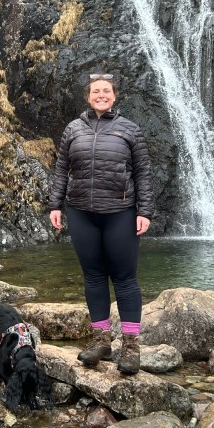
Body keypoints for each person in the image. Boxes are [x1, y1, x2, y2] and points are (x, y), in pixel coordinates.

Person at [48, 73, 153, 375]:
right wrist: (55, 204)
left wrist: (144, 211)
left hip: (120, 212)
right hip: (81, 212)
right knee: (93, 276)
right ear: (88, 96)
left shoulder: (129, 130)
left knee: (125, 278)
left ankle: (131, 346)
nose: (101, 95)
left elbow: (143, 174)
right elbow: (61, 169)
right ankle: (101, 340)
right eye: (96, 91)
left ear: (114, 96)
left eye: (106, 91)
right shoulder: (74, 129)